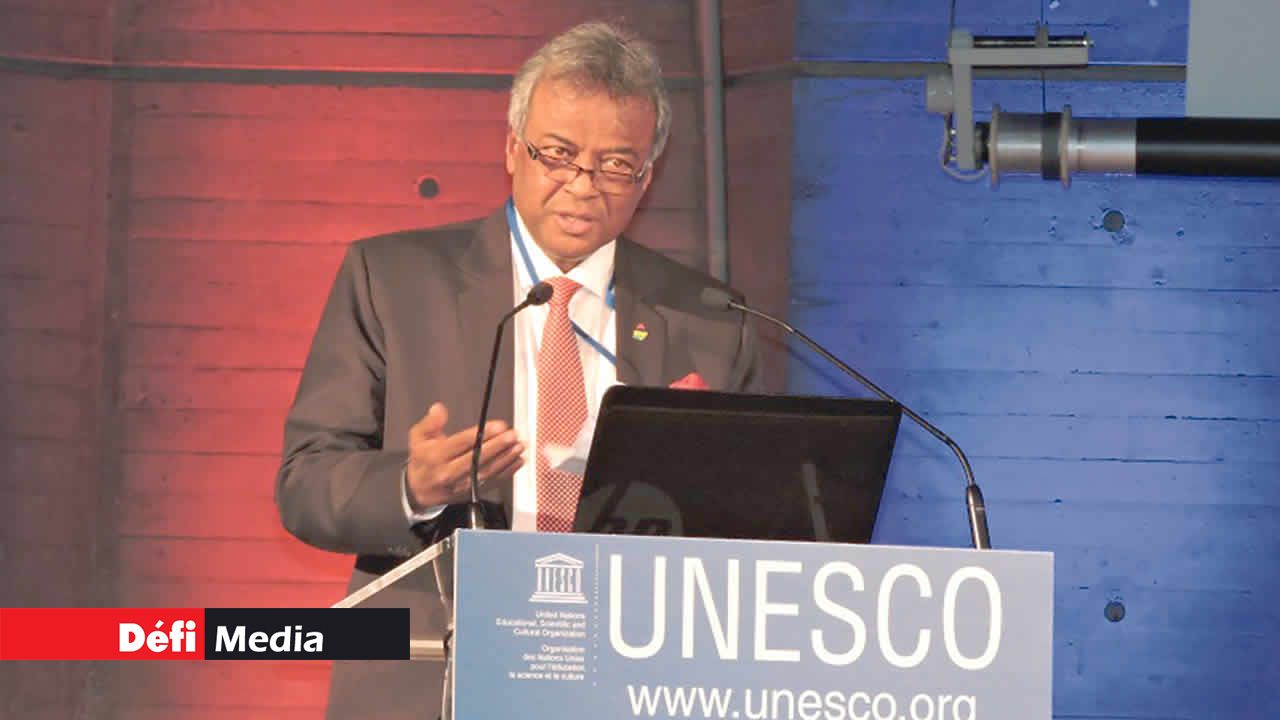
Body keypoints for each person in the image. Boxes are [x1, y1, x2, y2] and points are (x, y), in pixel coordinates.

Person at [276, 20, 762, 719]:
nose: (582, 186)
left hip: (631, 680)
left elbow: (754, 529)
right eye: (558, 154)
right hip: (435, 675)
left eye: (615, 164)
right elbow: (306, 483)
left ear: (646, 177)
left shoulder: (710, 320)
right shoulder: (392, 280)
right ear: (512, 148)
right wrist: (412, 486)